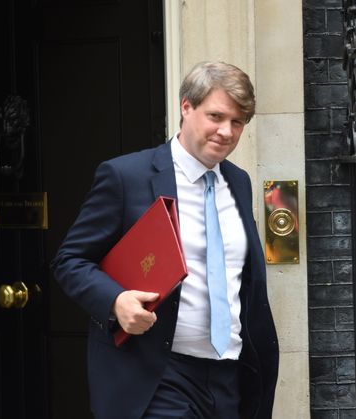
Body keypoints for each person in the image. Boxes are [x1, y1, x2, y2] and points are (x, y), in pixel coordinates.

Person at [50, 61, 279, 419]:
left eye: (237, 122)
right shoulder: (127, 177)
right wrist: (115, 301)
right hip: (158, 375)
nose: (226, 131)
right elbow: (70, 261)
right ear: (186, 107)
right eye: (215, 116)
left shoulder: (238, 181)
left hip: (228, 376)